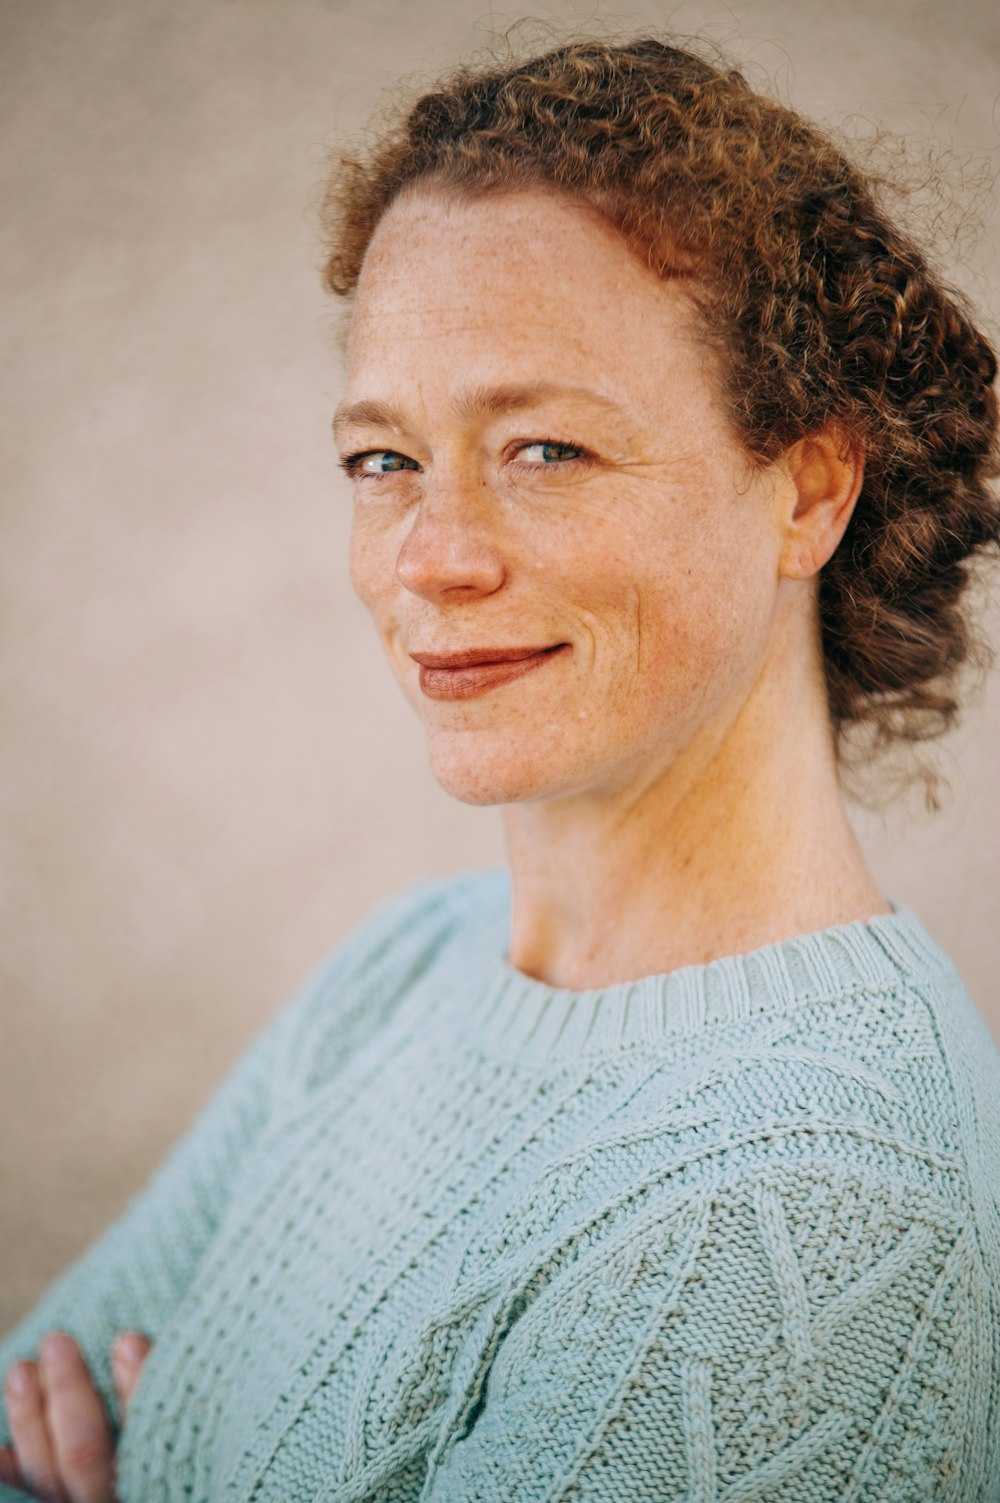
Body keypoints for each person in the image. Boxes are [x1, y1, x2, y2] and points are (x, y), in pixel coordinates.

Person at [2, 32, 999, 1503]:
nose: (432, 558)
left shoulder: (813, 1213)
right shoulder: (417, 963)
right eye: (383, 460)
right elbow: (33, 1408)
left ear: (809, 488)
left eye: (544, 450)